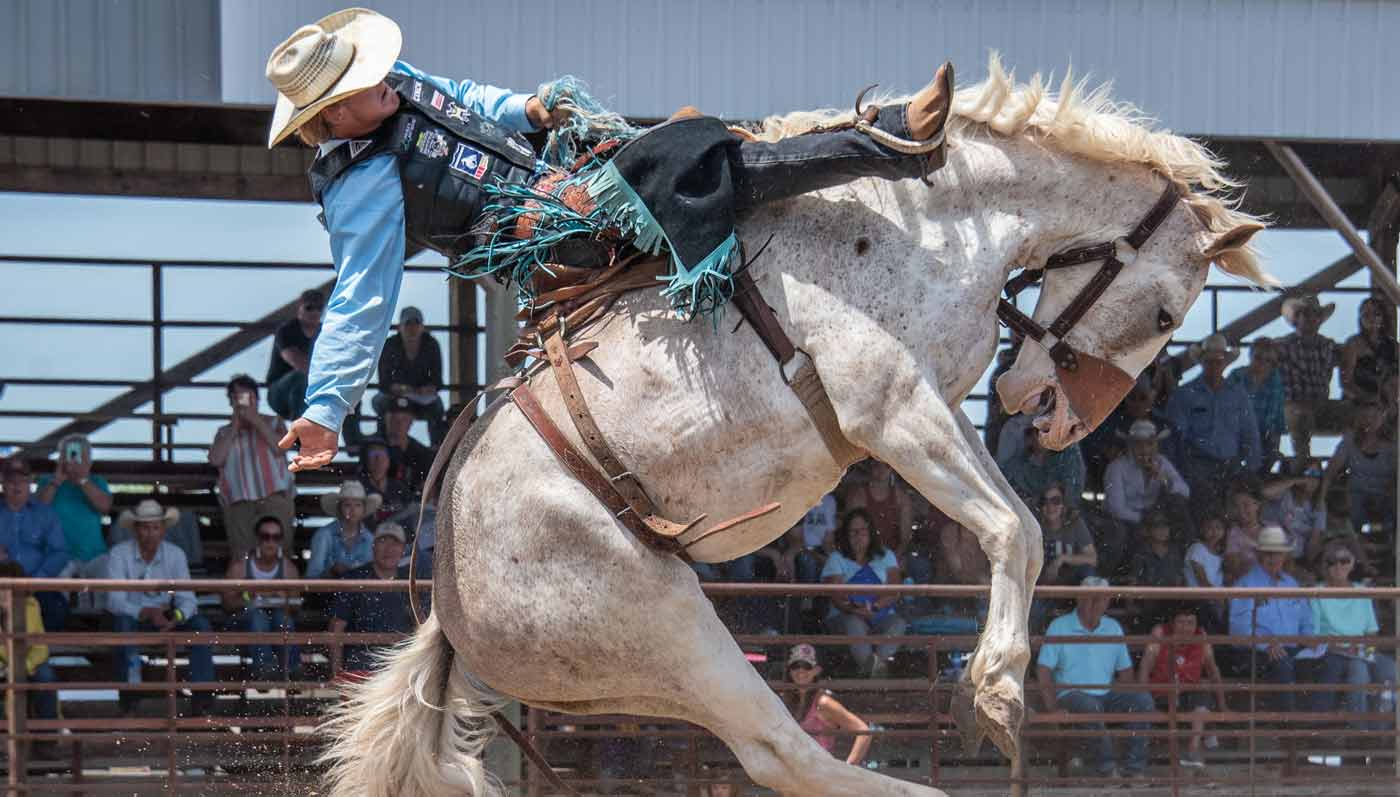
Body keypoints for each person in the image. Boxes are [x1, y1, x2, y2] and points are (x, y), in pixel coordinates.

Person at [269, 8, 955, 471]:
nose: (385, 78)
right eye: (365, 82)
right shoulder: (360, 186)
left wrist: (530, 108)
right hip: (548, 243)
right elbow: (362, 296)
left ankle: (884, 139)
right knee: (679, 160)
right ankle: (893, 140)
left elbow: (468, 101)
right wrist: (325, 410)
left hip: (562, 180)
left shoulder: (401, 87)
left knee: (691, 136)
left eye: (375, 69)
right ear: (332, 117)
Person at [1036, 576, 1155, 779]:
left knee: (1142, 701)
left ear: (1107, 601)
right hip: (1072, 694)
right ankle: (1107, 770)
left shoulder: (1113, 627)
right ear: (1079, 599)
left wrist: (1127, 695)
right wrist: (1052, 707)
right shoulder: (1060, 625)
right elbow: (1044, 669)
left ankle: (1134, 769)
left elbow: (1125, 671)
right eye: (1090, 598)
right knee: (1090, 706)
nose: (1095, 603)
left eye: (1101, 599)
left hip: (1105, 694)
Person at [106, 499, 215, 715]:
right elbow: (113, 601)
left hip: (166, 618)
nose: (150, 533)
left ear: (163, 530)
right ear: (136, 530)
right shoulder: (119, 553)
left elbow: (188, 600)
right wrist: (146, 612)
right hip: (133, 618)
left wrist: (175, 616)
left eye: (155, 527)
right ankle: (130, 694)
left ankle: (203, 697)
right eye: (145, 527)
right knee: (122, 623)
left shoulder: (175, 555)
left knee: (200, 625)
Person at [208, 374, 297, 560]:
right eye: (236, 397)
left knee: (280, 553)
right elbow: (216, 459)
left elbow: (281, 447)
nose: (242, 402)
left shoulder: (275, 422)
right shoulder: (224, 432)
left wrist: (255, 420)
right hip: (239, 502)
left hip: (274, 498)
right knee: (242, 556)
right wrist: (235, 427)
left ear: (257, 398)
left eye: (247, 397)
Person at [1228, 525, 1314, 713]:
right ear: (1260, 555)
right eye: (1269, 554)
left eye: (1278, 554)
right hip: (1257, 651)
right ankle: (1288, 729)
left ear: (1285, 556)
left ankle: (1311, 727)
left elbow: (1306, 618)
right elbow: (1239, 629)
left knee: (1320, 664)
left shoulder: (1292, 584)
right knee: (1282, 665)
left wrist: (1308, 637)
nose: (1273, 558)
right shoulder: (1245, 585)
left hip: (1291, 647)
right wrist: (1266, 643)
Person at [1311, 540, 1397, 727]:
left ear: (1352, 563)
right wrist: (1345, 648)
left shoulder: (1362, 591)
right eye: (1331, 561)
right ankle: (1360, 732)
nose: (1338, 566)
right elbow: (1315, 635)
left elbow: (1371, 631)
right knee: (1359, 673)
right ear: (1324, 566)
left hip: (1361, 650)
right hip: (1333, 652)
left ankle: (1380, 730)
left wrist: (1366, 650)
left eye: (1344, 560)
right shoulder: (1316, 592)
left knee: (1391, 669)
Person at [1166, 333, 1260, 504]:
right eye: (1209, 361)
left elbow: (1250, 434)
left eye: (1219, 361)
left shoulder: (1239, 395)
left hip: (1232, 467)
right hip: (1197, 466)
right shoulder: (1184, 394)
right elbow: (1176, 437)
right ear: (1202, 363)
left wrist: (1250, 470)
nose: (1214, 366)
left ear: (1225, 364)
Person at [1138, 603, 1228, 768]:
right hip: (1162, 694)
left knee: (1202, 688)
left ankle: (1193, 748)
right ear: (1172, 623)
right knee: (1196, 704)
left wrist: (1223, 706)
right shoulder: (1160, 633)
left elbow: (1213, 671)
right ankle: (1207, 733)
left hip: (1189, 694)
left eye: (1190, 623)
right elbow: (1145, 668)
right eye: (1180, 622)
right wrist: (1144, 701)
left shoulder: (1201, 636)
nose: (1185, 628)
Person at [821, 509, 905, 676]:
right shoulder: (836, 558)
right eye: (853, 532)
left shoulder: (886, 555)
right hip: (845, 615)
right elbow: (836, 597)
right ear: (845, 535)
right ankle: (874, 673)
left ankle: (873, 668)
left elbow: (894, 591)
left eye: (863, 531)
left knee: (898, 624)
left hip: (880, 613)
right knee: (854, 624)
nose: (858, 536)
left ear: (871, 532)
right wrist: (856, 610)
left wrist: (874, 607)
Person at [222, 515, 302, 681]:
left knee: (283, 619)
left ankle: (292, 672)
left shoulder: (288, 569)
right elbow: (227, 604)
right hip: (243, 621)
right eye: (266, 537)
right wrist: (247, 600)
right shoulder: (240, 567)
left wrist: (283, 599)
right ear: (257, 539)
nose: (270, 542)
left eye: (276, 537)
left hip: (276, 619)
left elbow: (296, 606)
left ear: (281, 541)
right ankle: (265, 670)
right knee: (258, 617)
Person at [329, 522, 414, 674]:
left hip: (400, 659)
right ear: (373, 546)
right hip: (361, 657)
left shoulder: (411, 581)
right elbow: (337, 627)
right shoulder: (353, 579)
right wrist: (337, 674)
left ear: (403, 550)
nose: (389, 549)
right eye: (383, 542)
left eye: (395, 543)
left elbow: (421, 625)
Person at [0, 457, 70, 633]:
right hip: (1, 584)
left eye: (22, 481)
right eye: (11, 481)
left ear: (30, 482)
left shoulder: (45, 514)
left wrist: (37, 579)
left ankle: (38, 656)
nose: (17, 486)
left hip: (37, 584)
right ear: (3, 483)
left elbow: (60, 552)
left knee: (57, 611)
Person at [1276, 294, 1344, 467]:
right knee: (1299, 416)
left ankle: (1343, 465)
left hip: (1321, 404)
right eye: (1306, 314)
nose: (1311, 318)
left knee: (1358, 415)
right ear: (1296, 318)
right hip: (1293, 405)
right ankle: (1302, 469)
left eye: (1315, 315)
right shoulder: (1282, 345)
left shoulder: (1328, 345)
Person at [782, 643, 872, 766]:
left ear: (816, 670)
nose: (800, 671)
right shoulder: (788, 700)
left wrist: (848, 768)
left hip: (819, 772)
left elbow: (864, 731)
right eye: (795, 666)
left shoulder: (823, 703)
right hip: (796, 771)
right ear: (790, 670)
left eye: (806, 666)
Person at [35, 434, 113, 574]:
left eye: (78, 456)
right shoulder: (48, 482)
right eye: (68, 455)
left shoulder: (97, 482)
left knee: (109, 583)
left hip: (94, 556)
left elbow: (104, 506)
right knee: (55, 589)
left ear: (89, 461)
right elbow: (37, 510)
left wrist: (82, 480)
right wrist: (57, 481)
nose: (73, 460)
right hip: (57, 555)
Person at [1322, 396, 1397, 533]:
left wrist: (1388, 493)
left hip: (1385, 494)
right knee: (1351, 508)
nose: (1370, 420)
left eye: (1374, 416)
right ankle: (1353, 540)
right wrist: (1320, 500)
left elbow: (1396, 476)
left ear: (1383, 417)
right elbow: (1331, 471)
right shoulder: (1349, 441)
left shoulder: (1393, 445)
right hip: (1356, 494)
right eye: (1365, 416)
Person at [372, 305, 446, 443]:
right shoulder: (389, 345)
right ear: (400, 327)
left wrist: (429, 388)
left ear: (422, 327)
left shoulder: (431, 344)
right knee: (380, 403)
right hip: (395, 396)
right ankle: (383, 445)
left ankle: (437, 448)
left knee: (437, 407)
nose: (412, 328)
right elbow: (383, 381)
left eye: (416, 324)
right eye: (408, 324)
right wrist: (396, 388)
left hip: (422, 399)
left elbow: (438, 379)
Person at [1102, 419, 1190, 533]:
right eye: (1139, 445)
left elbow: (1185, 491)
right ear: (1130, 446)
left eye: (1150, 444)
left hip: (1153, 516)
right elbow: (1116, 509)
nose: (1145, 450)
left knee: (1178, 504)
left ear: (1156, 446)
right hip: (1123, 520)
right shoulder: (1116, 467)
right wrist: (1145, 520)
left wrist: (1165, 480)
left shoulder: (1161, 462)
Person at [0, 561, 59, 724]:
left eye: (10, 586)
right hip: (2, 662)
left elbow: (41, 647)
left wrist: (25, 664)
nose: (5, 592)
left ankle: (47, 734)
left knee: (46, 677)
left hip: (28, 661)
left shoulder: (32, 605)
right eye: (2, 586)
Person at [996, 416, 1086, 510]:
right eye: (1039, 432)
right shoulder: (1017, 469)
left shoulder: (1066, 461)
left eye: (1048, 431)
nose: (1045, 436)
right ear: (1029, 439)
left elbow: (1073, 496)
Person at [1226, 337, 1286, 473]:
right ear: (1250, 355)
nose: (1263, 363)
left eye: (1269, 360)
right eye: (1258, 357)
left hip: (1264, 435)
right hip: (1236, 431)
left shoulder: (1276, 381)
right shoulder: (1237, 376)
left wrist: (1274, 447)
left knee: (1269, 454)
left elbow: (1277, 420)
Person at [267, 288, 324, 420]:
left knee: (347, 386)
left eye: (319, 308)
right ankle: (300, 436)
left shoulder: (326, 332)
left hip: (313, 388)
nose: (315, 312)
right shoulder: (286, 330)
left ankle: (354, 438)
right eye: (309, 307)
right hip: (280, 393)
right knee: (301, 377)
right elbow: (296, 361)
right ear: (300, 307)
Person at [307, 481, 380, 579]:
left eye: (358, 505)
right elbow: (312, 576)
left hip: (360, 592)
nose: (353, 510)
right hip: (328, 592)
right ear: (339, 508)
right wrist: (331, 572)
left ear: (363, 509)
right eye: (347, 505)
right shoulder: (324, 536)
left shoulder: (370, 539)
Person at [843, 461, 914, 559]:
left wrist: (892, 559)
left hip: (893, 554)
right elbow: (851, 534)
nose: (881, 469)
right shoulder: (858, 496)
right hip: (863, 555)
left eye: (886, 466)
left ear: (893, 469)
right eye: (876, 465)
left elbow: (905, 538)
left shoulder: (902, 498)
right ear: (870, 468)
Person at [1261, 464, 1327, 568]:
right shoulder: (1285, 494)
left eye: (1316, 475)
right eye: (1308, 474)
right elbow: (1265, 492)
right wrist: (1297, 480)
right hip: (1273, 549)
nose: (1311, 479)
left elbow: (1315, 538)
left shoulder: (1318, 504)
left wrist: (1308, 565)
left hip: (1297, 558)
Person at [1341, 296, 1397, 401]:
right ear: (1360, 319)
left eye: (1376, 314)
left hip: (1387, 403)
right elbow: (1346, 382)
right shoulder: (1353, 344)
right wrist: (1368, 399)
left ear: (1383, 318)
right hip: (1357, 403)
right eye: (1366, 315)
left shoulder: (1393, 345)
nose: (1371, 318)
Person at [1222, 478, 1274, 584]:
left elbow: (1287, 561)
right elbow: (1235, 569)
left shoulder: (1272, 528)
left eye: (1246, 505)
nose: (1241, 511)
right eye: (1237, 506)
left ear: (1257, 505)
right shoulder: (1233, 533)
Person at [1184, 508, 1228, 632]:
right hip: (1199, 599)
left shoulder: (1220, 553)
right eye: (1209, 528)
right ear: (1202, 529)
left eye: (1218, 528)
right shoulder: (1197, 549)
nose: (1214, 532)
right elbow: (1202, 580)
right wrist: (1219, 597)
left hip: (1215, 599)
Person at [381, 396, 435, 495]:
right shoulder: (376, 448)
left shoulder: (422, 453)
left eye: (404, 419)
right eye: (395, 419)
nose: (399, 424)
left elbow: (426, 488)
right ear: (387, 420)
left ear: (411, 422)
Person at [358, 436, 413, 526]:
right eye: (373, 453)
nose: (378, 458)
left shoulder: (400, 488)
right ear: (365, 460)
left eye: (382, 452)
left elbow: (411, 514)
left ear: (389, 460)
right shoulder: (358, 488)